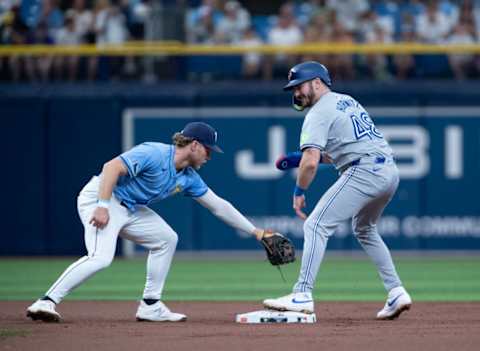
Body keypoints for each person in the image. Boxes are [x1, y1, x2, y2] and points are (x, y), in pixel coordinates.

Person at [27, 122, 268, 323]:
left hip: (129, 207)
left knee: (166, 238)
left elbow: (219, 206)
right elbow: (111, 167)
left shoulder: (188, 177)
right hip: (102, 197)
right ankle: (46, 301)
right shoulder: (154, 152)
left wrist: (257, 232)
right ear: (194, 145)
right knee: (100, 257)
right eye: (208, 150)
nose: (210, 155)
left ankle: (150, 305)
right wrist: (101, 205)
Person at [263, 61, 412, 320]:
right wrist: (299, 158)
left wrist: (299, 190)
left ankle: (302, 294)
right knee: (364, 229)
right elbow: (338, 152)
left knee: (315, 225)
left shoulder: (318, 112)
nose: (296, 93)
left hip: (364, 170)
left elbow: (312, 161)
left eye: (299, 86)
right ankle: (396, 291)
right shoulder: (347, 101)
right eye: (293, 88)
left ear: (318, 82)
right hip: (388, 171)